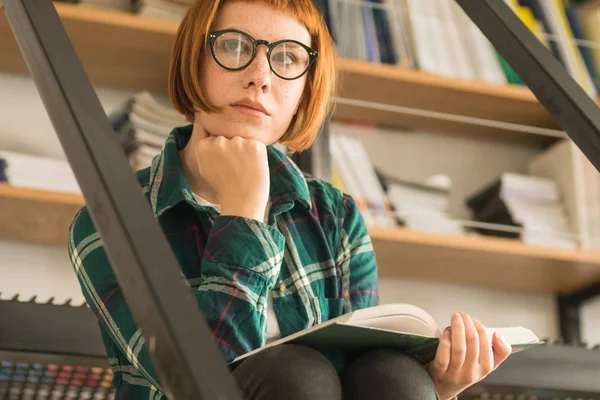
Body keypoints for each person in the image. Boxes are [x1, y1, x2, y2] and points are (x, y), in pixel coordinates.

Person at [67, 0, 513, 399]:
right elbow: (190, 378)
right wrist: (243, 210)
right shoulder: (110, 220)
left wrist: (442, 387)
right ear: (194, 60)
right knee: (297, 375)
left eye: (287, 58)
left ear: (303, 89)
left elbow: (363, 375)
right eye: (235, 46)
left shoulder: (335, 214)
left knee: (395, 375)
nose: (260, 75)